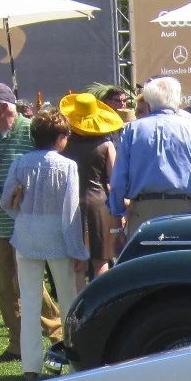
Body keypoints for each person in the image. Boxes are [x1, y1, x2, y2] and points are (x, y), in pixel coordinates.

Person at [0, 81, 60, 362]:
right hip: (1, 221)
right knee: (5, 286)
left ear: (3, 106)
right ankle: (17, 343)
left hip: (28, 220)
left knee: (29, 281)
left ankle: (58, 334)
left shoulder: (31, 131)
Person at [1, 109, 88, 381]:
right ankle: (74, 362)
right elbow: (71, 212)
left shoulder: (20, 163)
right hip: (58, 237)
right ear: (60, 138)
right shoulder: (68, 166)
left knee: (29, 302)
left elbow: (5, 201)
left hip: (26, 236)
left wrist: (23, 217)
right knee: (67, 301)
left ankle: (31, 367)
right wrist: (78, 250)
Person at [108, 76, 191, 238]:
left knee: (146, 262)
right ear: (177, 102)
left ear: (147, 103)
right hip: (185, 212)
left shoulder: (131, 130)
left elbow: (119, 181)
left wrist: (117, 221)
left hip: (143, 213)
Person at [59, 90, 122, 280]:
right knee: (101, 260)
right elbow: (115, 179)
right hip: (98, 204)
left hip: (70, 204)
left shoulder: (64, 146)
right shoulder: (106, 146)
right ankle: (102, 306)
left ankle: (78, 307)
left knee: (77, 263)